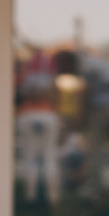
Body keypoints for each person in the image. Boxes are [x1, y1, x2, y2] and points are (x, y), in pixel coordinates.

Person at [53, 49, 109, 199]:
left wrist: (81, 116)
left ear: (69, 62)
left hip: (101, 109)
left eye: (62, 67)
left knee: (94, 153)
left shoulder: (84, 66)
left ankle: (94, 194)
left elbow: (86, 91)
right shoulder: (99, 63)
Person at [16, 46, 63, 206]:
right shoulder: (50, 75)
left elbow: (19, 95)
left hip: (28, 115)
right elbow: (55, 97)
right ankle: (53, 197)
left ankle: (30, 196)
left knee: (30, 156)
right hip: (47, 115)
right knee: (50, 156)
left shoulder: (26, 73)